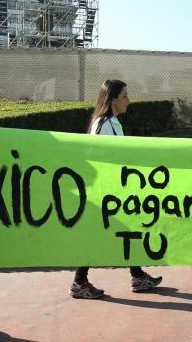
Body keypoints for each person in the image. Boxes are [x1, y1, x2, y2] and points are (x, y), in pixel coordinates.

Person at [69, 79, 163, 299]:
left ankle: (137, 276)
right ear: (112, 100)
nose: (128, 101)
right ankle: (79, 281)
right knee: (102, 235)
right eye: (124, 97)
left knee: (127, 231)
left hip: (114, 191)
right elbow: (104, 162)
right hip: (106, 193)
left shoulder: (112, 122)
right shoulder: (103, 125)